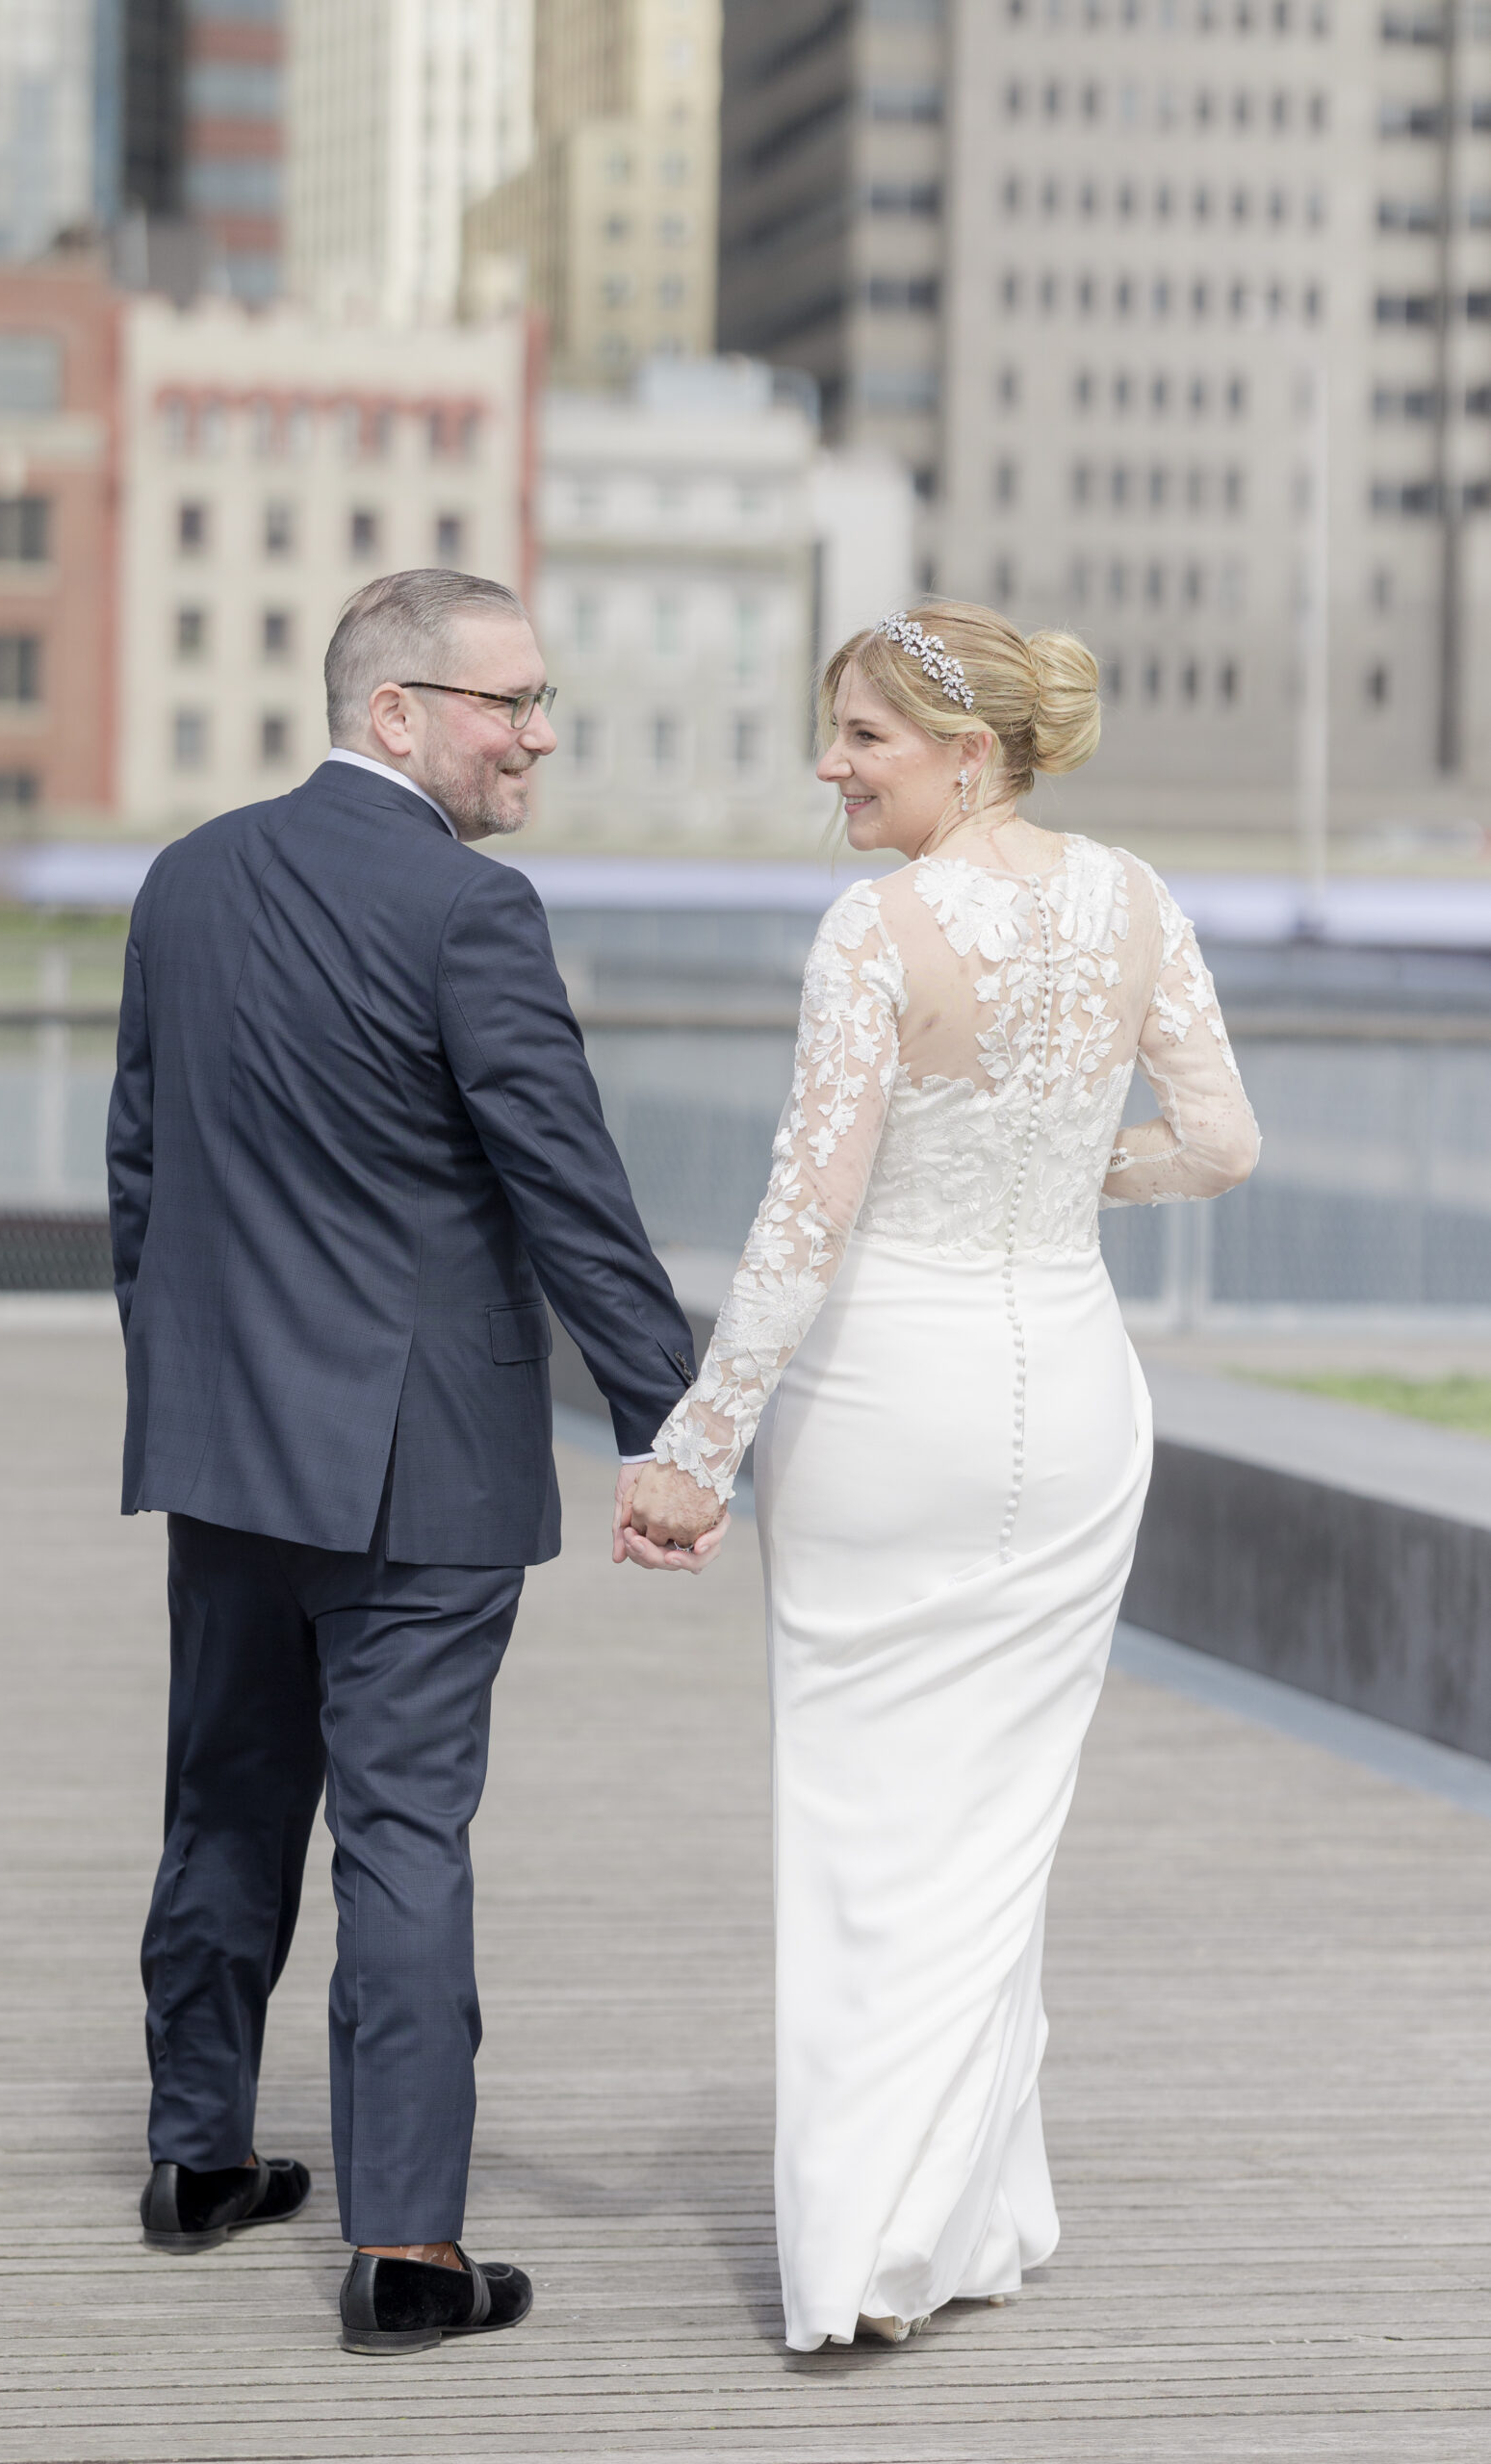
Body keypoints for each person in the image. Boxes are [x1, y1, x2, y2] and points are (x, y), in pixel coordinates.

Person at [627, 601, 1259, 2352]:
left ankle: (868, 2251)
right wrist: (1060, 1179)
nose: (828, 766)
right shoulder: (1136, 898)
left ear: (967, 755)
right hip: (1071, 1390)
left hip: (889, 1400)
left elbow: (808, 1215)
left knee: (867, 1819)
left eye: (861, 737)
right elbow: (1221, 1143)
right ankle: (967, 2217)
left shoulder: (873, 928)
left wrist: (694, 1449)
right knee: (997, 1822)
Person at [107, 568, 724, 2359]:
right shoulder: (471, 908)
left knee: (222, 1804)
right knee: (401, 1840)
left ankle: (198, 2160)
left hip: (224, 1450)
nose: (538, 735)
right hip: (416, 1473)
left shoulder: (187, 877)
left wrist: (185, 1388)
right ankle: (406, 2253)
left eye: (540, 702)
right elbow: (570, 1187)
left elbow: (139, 1171)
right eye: (507, 703)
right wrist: (675, 1428)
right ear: (396, 712)